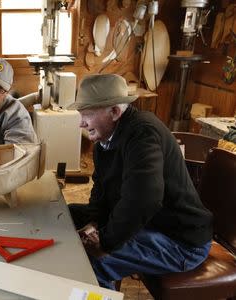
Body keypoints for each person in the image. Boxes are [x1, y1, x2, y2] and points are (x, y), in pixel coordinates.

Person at [67, 74, 212, 290]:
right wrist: (94, 222)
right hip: (152, 225)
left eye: (87, 114)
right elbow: (101, 189)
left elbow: (144, 199)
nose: (81, 122)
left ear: (115, 112)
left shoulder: (143, 133)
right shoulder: (105, 141)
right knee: (70, 216)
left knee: (90, 262)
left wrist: (105, 243)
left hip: (181, 241)